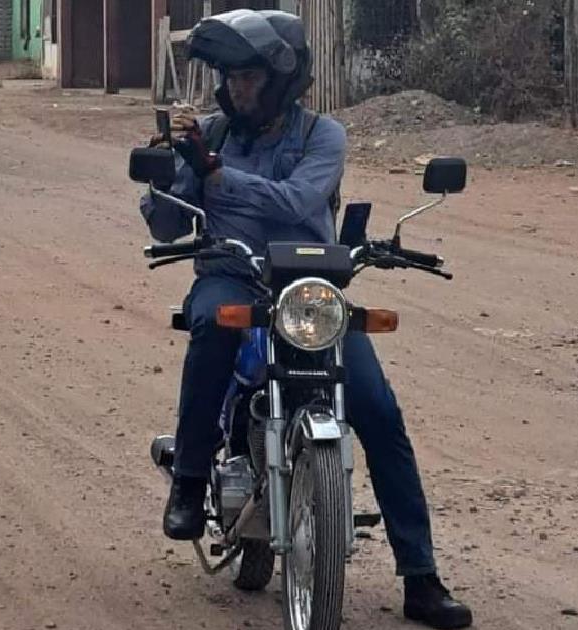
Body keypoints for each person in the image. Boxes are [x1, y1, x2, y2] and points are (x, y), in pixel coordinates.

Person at [139, 9, 473, 630]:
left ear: (282, 79)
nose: (237, 88)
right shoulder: (210, 132)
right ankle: (188, 479)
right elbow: (163, 225)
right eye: (231, 77)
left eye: (250, 77)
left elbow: (297, 201)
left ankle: (421, 577)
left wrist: (216, 172)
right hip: (231, 272)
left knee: (376, 409)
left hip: (311, 286)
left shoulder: (324, 136)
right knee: (211, 327)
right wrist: (171, 166)